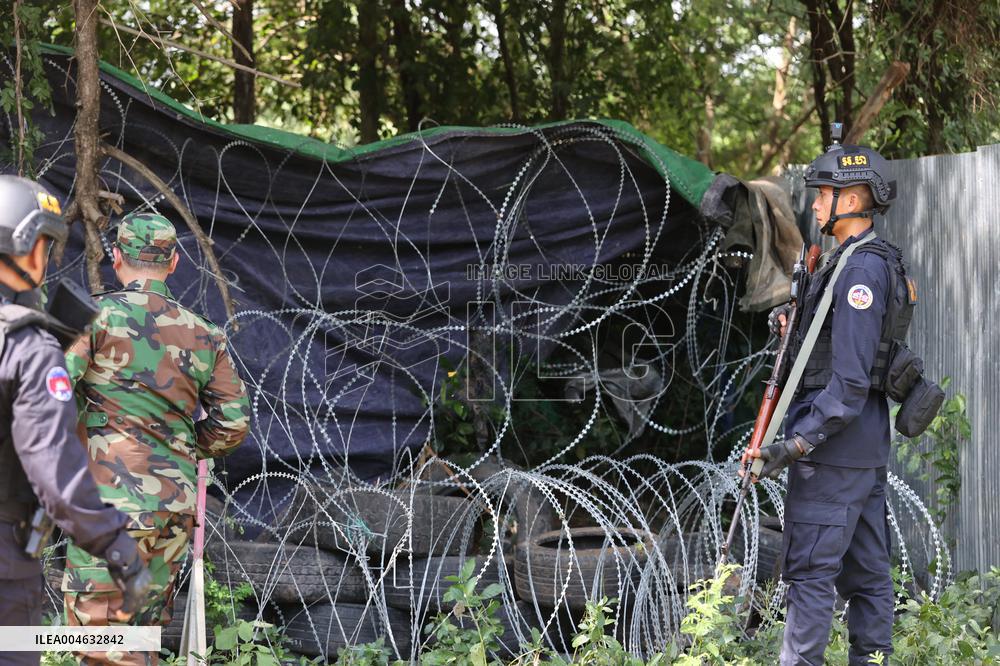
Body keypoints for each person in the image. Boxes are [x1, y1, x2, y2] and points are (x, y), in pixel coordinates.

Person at [64, 212, 251, 665]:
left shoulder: (94, 315)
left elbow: (49, 393)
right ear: (174, 262)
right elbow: (233, 423)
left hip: (110, 504)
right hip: (173, 507)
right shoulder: (205, 333)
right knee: (139, 635)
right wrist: (180, 449)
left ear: (115, 257)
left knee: (99, 641)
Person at [747, 133, 904, 665]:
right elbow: (829, 345)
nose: (813, 203)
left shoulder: (860, 269)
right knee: (867, 576)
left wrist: (796, 444)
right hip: (858, 449)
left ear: (853, 200)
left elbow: (851, 380)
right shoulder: (848, 261)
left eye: (823, 193)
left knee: (812, 576)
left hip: (832, 451)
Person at [0, 175, 151, 666]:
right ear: (26, 248)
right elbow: (55, 473)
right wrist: (115, 544)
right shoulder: (26, 348)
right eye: (44, 243)